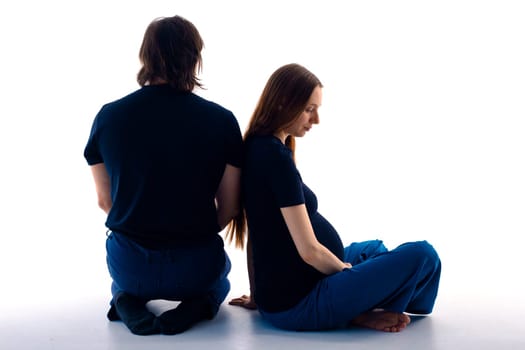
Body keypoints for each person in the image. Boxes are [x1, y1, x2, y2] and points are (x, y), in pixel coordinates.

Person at [228, 63, 441, 332]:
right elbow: (310, 252)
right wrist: (345, 272)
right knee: (423, 255)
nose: (316, 119)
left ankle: (361, 305)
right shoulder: (274, 159)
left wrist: (258, 295)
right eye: (308, 109)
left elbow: (259, 234)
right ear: (283, 102)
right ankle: (360, 311)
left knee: (374, 249)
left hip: (288, 291)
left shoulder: (258, 146)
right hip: (302, 302)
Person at [83, 15, 244, 335]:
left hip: (131, 266)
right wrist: (193, 234)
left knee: (123, 279)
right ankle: (200, 305)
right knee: (221, 274)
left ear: (145, 56)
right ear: (195, 59)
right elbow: (229, 206)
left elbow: (105, 201)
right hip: (194, 268)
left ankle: (124, 298)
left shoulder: (109, 117)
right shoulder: (222, 121)